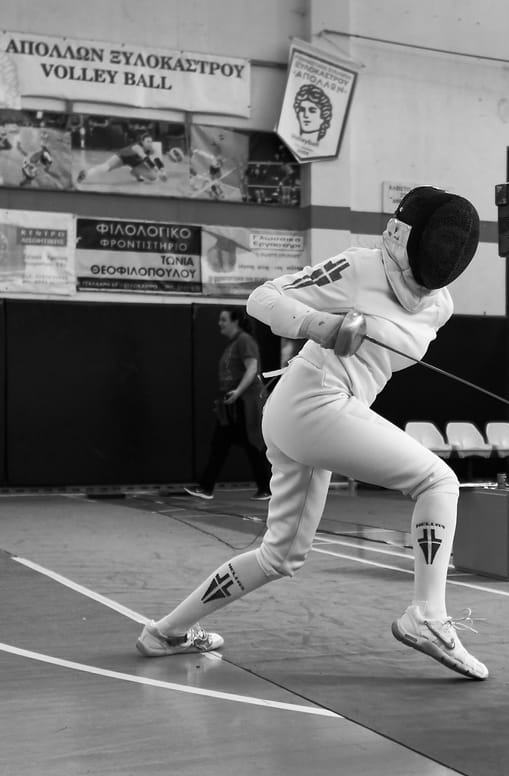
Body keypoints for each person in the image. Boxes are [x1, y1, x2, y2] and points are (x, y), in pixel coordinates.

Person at [137, 186, 488, 681]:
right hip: (313, 398)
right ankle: (428, 615)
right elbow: (263, 299)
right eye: (442, 239)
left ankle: (165, 632)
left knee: (280, 556)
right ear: (407, 234)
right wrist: (319, 325)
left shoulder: (438, 307)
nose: (448, 251)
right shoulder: (360, 267)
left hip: (320, 411)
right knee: (438, 481)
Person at [186, 308, 272, 502]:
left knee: (250, 443)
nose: (220, 323)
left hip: (246, 401)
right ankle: (207, 487)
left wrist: (238, 392)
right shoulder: (234, 343)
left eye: (224, 320)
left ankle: (266, 488)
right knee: (222, 443)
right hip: (234, 402)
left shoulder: (245, 340)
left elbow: (252, 368)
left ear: (235, 322)